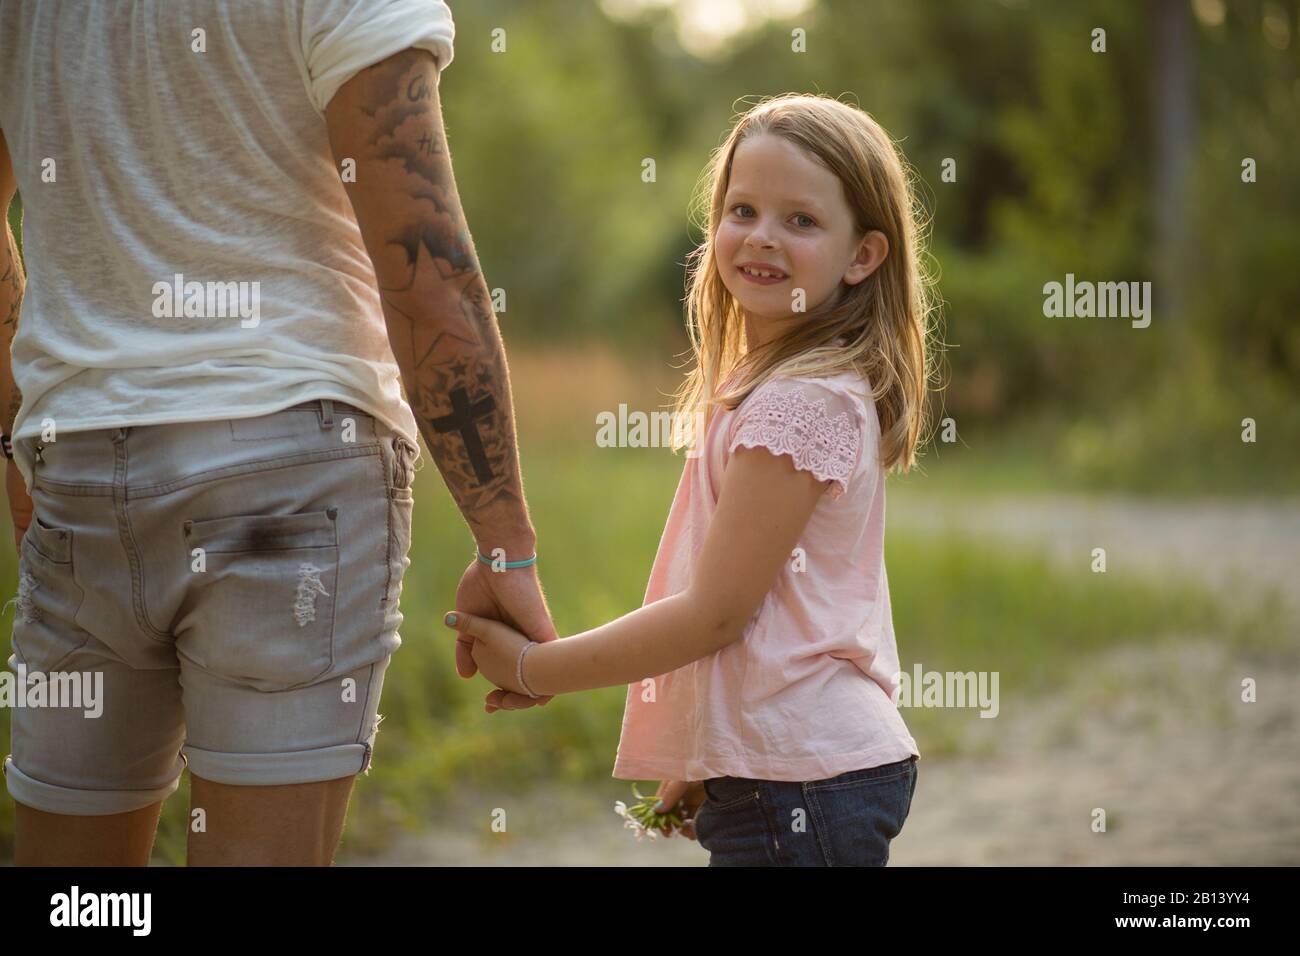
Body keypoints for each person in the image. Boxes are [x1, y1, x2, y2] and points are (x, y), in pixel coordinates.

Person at [0, 0, 554, 866]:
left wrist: (17, 440)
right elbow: (426, 263)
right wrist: (505, 546)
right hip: (295, 465)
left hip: (80, 464)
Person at [446, 93, 938, 866]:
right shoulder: (778, 386)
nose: (761, 237)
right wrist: (707, 750)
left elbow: (716, 614)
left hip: (803, 781)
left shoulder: (799, 402)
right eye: (742, 209)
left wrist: (537, 667)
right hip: (790, 770)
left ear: (863, 255)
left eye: (801, 220)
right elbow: (774, 613)